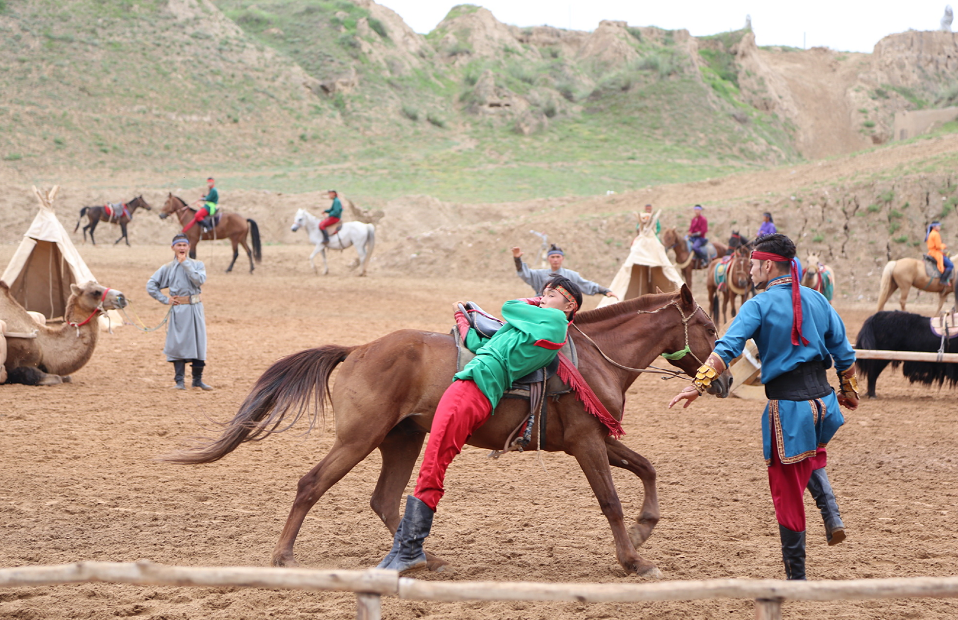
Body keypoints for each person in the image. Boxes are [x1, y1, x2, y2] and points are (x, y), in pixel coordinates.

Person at [668, 233, 859, 580]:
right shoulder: (818, 299)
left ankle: (796, 580)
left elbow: (728, 348)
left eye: (754, 265)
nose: (751, 271)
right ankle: (831, 513)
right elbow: (845, 353)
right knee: (809, 455)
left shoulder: (757, 304)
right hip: (825, 404)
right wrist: (849, 391)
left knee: (786, 494)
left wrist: (698, 384)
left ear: (768, 265)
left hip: (790, 408)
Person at [377, 276, 583, 574]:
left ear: (569, 305)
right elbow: (479, 342)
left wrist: (531, 302)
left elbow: (509, 306)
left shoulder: (553, 322)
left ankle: (409, 550)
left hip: (471, 391)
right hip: (469, 388)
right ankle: (406, 550)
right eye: (543, 293)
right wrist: (462, 319)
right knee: (434, 464)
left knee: (434, 465)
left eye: (551, 295)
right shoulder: (529, 328)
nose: (542, 297)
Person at [147, 233, 212, 391]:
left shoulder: (198, 264)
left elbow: (199, 280)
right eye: (179, 245)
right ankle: (179, 381)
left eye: (184, 245)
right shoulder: (167, 268)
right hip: (179, 310)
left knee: (198, 341)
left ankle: (197, 380)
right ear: (173, 248)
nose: (182, 248)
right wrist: (165, 299)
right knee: (178, 343)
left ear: (189, 247)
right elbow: (151, 285)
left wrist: (186, 265)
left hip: (195, 309)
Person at [513, 244, 617, 300]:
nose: (555, 259)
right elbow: (524, 273)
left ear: (562, 258)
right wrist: (517, 259)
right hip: (542, 308)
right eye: (552, 257)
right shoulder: (539, 274)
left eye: (558, 257)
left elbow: (586, 285)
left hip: (564, 310)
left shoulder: (571, 275)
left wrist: (605, 291)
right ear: (548, 259)